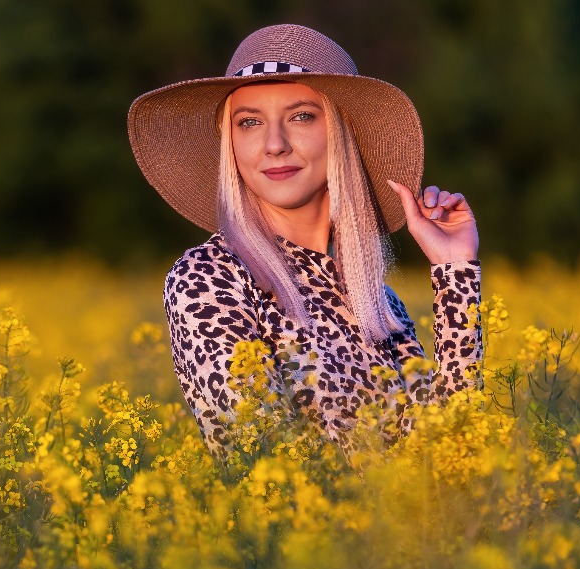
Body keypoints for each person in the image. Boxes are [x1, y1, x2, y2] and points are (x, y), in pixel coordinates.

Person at [127, 24, 482, 464]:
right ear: (230, 144)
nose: (275, 144)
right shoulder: (209, 279)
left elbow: (452, 453)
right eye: (249, 122)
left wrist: (456, 271)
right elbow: (262, 461)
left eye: (301, 117)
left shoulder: (378, 303)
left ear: (342, 133)